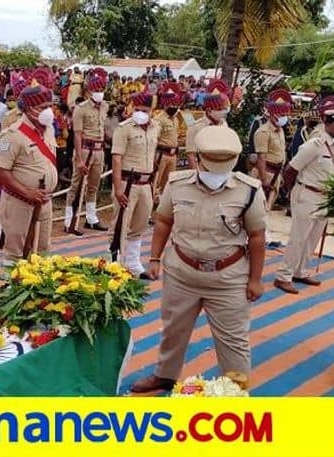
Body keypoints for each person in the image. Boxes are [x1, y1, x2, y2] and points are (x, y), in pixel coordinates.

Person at [130, 125, 267, 393]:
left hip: (228, 278)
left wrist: (256, 280)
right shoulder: (177, 184)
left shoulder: (248, 190)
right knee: (173, 331)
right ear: (200, 158)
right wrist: (155, 258)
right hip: (182, 273)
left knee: (234, 340)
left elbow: (257, 237)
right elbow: (163, 221)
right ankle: (165, 376)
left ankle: (236, 390)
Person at [274, 102, 334, 295]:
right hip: (307, 193)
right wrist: (294, 192)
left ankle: (300, 271)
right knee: (298, 238)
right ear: (327, 123)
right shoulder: (314, 145)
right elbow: (291, 170)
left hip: (325, 197)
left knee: (313, 238)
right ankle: (283, 276)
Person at [0, 76, 58, 266]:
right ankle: (13, 291)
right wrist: (26, 191)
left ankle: (37, 292)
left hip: (44, 200)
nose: (49, 111)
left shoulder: (49, 130)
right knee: (16, 253)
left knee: (42, 248)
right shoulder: (12, 135)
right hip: (19, 202)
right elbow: (0, 170)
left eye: (50, 106)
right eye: (43, 107)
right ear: (29, 109)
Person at [109, 92, 158, 279]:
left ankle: (133, 263)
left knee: (140, 224)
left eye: (144, 110)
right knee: (120, 224)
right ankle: (114, 264)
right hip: (127, 182)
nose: (140, 113)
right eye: (137, 109)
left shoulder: (155, 128)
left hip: (146, 183)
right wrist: (118, 187)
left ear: (151, 111)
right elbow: (116, 158)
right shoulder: (124, 128)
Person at [64, 70, 109, 235]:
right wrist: (80, 159)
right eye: (96, 90)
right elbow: (77, 134)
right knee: (76, 185)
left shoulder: (105, 106)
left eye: (102, 89)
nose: (99, 93)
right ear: (89, 91)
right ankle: (69, 221)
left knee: (93, 186)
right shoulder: (80, 108)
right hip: (84, 148)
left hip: (99, 149)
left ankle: (91, 218)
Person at [254, 89, 293, 211]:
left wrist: (280, 176)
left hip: (276, 174)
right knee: (258, 210)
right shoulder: (263, 132)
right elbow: (261, 157)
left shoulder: (280, 130)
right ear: (273, 114)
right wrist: (264, 179)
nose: (284, 117)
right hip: (266, 173)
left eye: (285, 114)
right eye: (281, 115)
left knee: (267, 209)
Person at [152, 83, 187, 202]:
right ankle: (150, 206)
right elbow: (154, 138)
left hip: (173, 155)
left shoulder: (175, 119)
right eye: (172, 104)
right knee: (155, 181)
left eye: (176, 104)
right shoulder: (158, 119)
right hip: (161, 154)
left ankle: (163, 206)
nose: (175, 106)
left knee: (169, 183)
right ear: (165, 104)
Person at [186, 79, 231, 170]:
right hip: (204, 170)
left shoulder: (224, 124)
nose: (224, 112)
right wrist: (197, 176)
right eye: (220, 109)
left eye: (225, 109)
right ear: (209, 110)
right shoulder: (195, 128)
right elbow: (191, 155)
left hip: (223, 169)